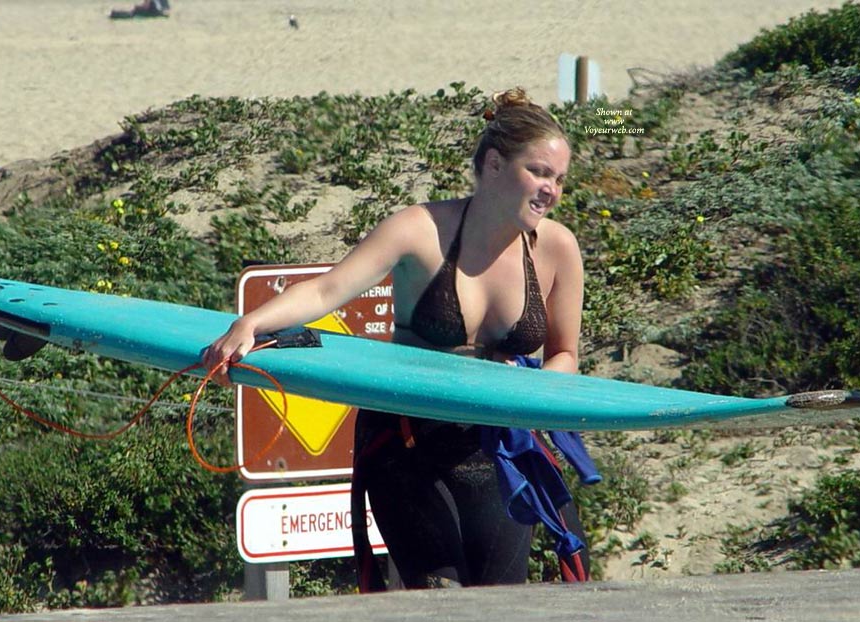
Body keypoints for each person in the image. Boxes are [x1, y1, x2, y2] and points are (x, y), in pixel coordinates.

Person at [202, 87, 588, 589]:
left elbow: (565, 353)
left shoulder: (557, 248)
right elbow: (327, 288)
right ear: (494, 164)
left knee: (502, 598)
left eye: (558, 179)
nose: (550, 190)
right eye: (538, 172)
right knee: (438, 595)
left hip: (496, 444)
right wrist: (251, 323)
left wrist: (534, 392)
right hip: (408, 439)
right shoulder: (420, 230)